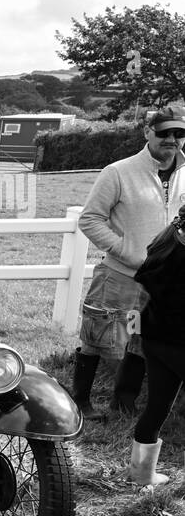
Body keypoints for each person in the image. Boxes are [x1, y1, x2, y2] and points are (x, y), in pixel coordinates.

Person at [74, 106, 185, 420]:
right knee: (96, 335)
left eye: (179, 133)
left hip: (163, 282)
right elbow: (91, 220)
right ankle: (80, 400)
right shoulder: (118, 172)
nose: (172, 139)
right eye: (164, 132)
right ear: (147, 132)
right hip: (121, 275)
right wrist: (126, 250)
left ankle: (124, 402)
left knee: (139, 337)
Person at [129, 204, 185, 485]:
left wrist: (134, 334)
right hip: (179, 344)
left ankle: (141, 475)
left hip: (154, 340)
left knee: (157, 406)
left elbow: (137, 297)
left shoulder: (163, 243)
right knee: (158, 406)